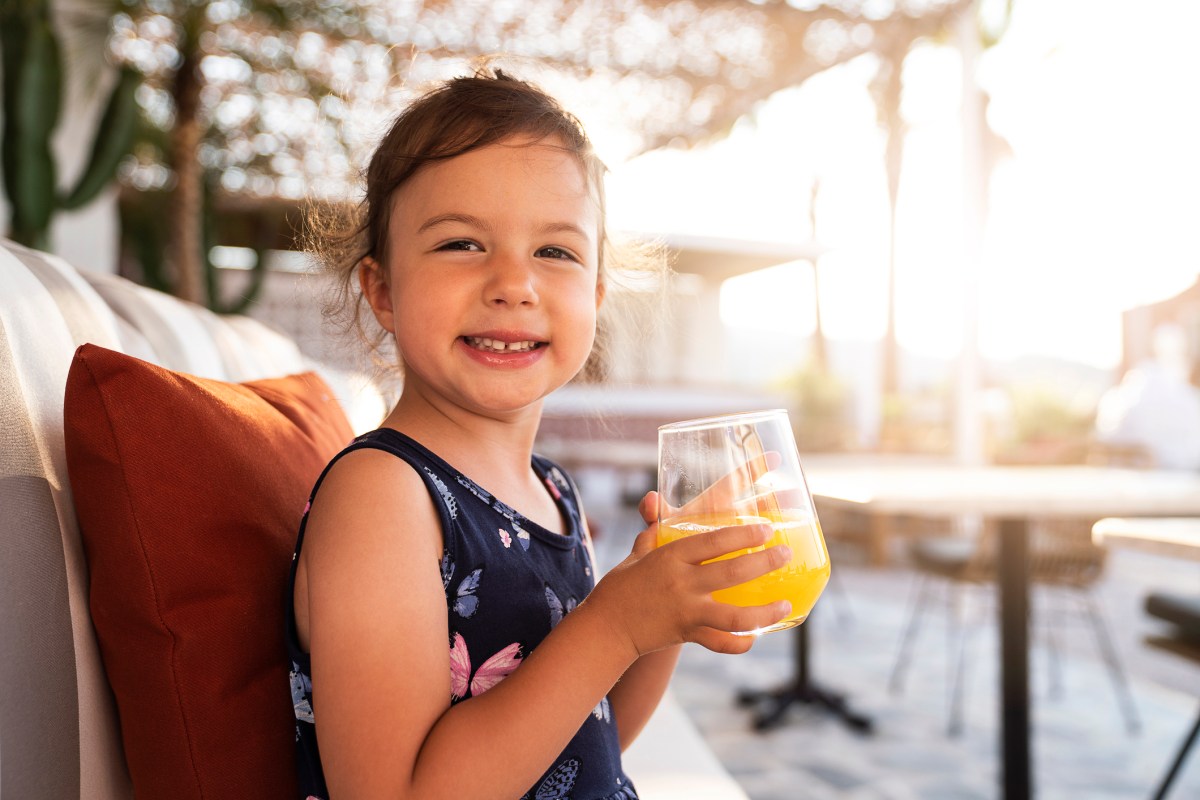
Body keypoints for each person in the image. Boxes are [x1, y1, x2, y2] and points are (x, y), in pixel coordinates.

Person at [286, 66, 793, 800]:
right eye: (462, 243)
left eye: (554, 252)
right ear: (384, 290)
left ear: (594, 294)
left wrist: (661, 614)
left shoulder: (550, 489)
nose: (513, 283)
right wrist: (615, 623)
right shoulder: (383, 498)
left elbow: (591, 736)